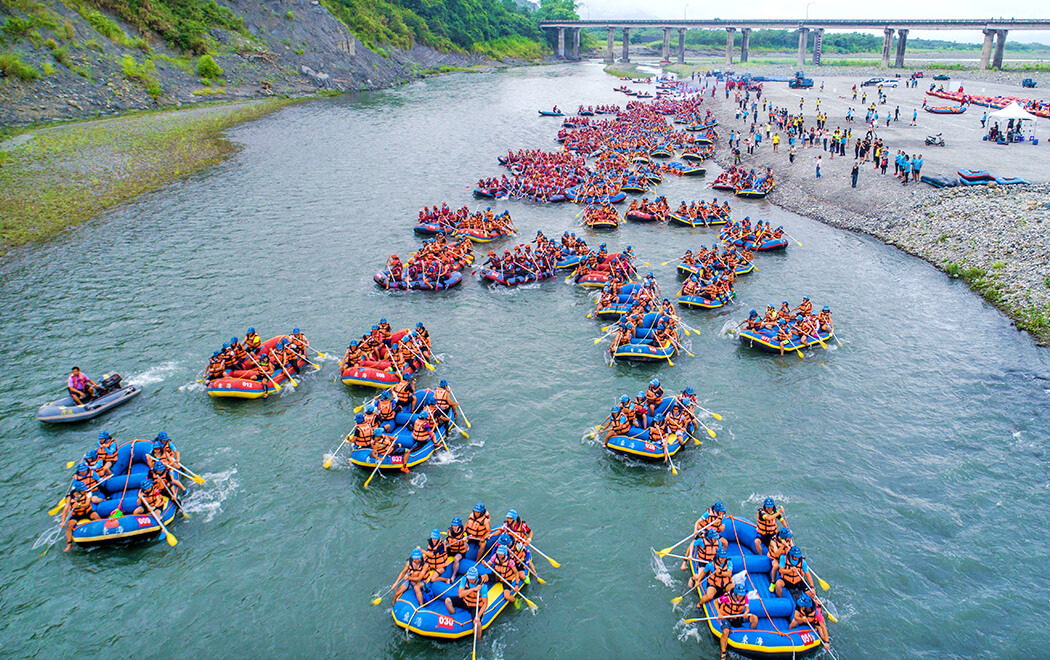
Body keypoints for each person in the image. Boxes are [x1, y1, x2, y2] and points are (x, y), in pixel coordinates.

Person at [716, 584, 758, 660]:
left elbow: (747, 608)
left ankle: (751, 637)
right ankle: (723, 652)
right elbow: (716, 602)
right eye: (740, 595)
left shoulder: (745, 597)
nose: (741, 596)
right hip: (727, 617)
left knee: (754, 618)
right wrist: (719, 613)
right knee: (725, 631)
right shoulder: (727, 598)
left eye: (742, 595)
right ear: (735, 593)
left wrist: (746, 612)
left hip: (737, 616)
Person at [445, 566, 488, 632]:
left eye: (472, 579)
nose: (470, 580)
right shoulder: (464, 579)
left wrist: (478, 617)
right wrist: (473, 589)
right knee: (447, 601)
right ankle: (454, 617)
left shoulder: (483, 586)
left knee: (477, 623)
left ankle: (479, 639)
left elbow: (485, 604)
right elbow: (460, 595)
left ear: (476, 578)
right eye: (469, 578)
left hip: (475, 605)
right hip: (465, 601)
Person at [61, 481, 102, 551]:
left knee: (96, 516)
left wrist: (79, 505)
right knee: (70, 525)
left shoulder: (86, 493)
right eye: (83, 490)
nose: (85, 490)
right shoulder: (70, 497)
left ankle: (101, 530)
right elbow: (65, 510)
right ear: (78, 490)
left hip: (86, 512)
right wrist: (63, 521)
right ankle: (69, 543)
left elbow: (87, 504)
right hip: (76, 514)